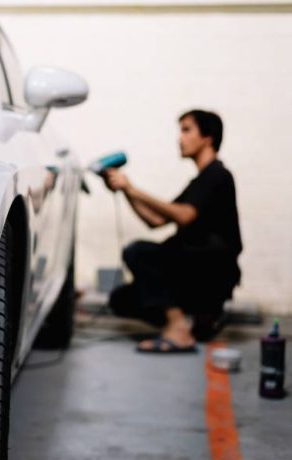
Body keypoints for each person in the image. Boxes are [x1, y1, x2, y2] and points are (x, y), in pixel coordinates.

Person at [103, 109, 242, 353]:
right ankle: (199, 319)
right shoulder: (198, 182)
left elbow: (185, 215)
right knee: (121, 300)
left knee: (137, 252)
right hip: (191, 268)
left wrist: (133, 189)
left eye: (187, 130)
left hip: (211, 271)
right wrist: (125, 190)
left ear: (207, 137)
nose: (180, 138)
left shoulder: (218, 175)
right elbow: (155, 220)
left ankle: (179, 329)